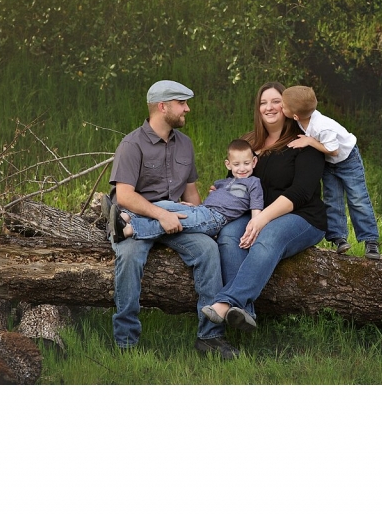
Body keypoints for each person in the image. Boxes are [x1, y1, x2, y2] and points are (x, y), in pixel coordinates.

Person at [104, 79, 239, 359]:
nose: (187, 109)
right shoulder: (131, 144)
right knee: (128, 257)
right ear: (162, 106)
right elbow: (125, 196)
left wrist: (201, 215)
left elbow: (192, 197)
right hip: (138, 214)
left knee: (208, 249)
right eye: (182, 103)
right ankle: (126, 341)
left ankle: (210, 337)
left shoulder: (185, 145)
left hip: (174, 219)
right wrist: (161, 215)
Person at [199, 82, 327, 331]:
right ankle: (244, 313)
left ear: (287, 106)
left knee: (267, 236)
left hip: (302, 217)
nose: (269, 107)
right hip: (255, 215)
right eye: (263, 102)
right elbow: (235, 183)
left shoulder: (304, 142)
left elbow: (301, 192)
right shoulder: (248, 143)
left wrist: (262, 219)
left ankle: (228, 303)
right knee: (228, 235)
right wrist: (220, 192)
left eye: (276, 101)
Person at [280, 85, 380, 259]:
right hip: (328, 163)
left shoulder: (322, 127)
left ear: (295, 115)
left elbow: (333, 150)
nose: (280, 108)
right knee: (332, 199)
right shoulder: (300, 119)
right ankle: (339, 238)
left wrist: (310, 141)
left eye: (283, 106)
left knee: (357, 199)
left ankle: (370, 241)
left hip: (347, 160)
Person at [108, 139, 263, 242]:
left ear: (254, 162)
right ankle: (124, 215)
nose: (242, 169)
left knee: (171, 221)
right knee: (164, 205)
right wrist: (199, 204)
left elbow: (256, 210)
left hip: (215, 220)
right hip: (202, 210)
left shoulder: (254, 183)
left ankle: (127, 230)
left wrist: (253, 230)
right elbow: (214, 197)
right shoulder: (224, 182)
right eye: (237, 165)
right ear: (228, 165)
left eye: (246, 163)